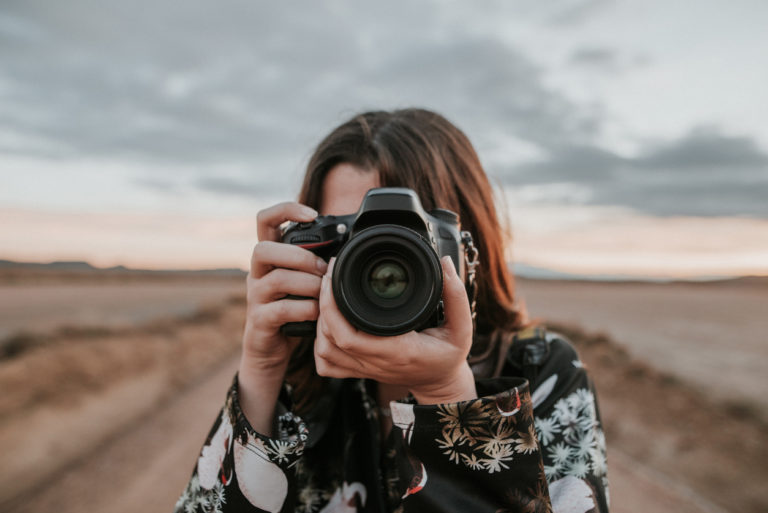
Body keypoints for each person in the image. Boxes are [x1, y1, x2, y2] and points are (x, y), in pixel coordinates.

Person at [174, 109, 609, 513]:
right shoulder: (297, 387)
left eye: (411, 240)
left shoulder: (543, 371)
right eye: (351, 241)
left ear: (469, 251)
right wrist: (263, 368)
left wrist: (447, 395)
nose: (378, 271)